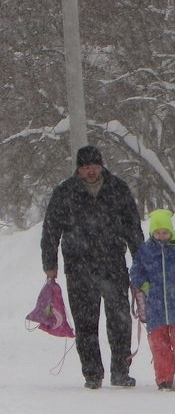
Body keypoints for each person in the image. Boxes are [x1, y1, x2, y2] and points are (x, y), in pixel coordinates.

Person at [41, 144, 144, 389]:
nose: (91, 171)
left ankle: (120, 371)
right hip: (78, 267)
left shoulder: (118, 188)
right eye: (86, 167)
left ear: (101, 166)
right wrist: (50, 263)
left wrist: (140, 259)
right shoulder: (65, 192)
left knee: (120, 320)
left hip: (112, 264)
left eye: (95, 166)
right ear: (79, 168)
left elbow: (132, 226)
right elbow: (51, 229)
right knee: (86, 323)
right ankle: (92, 374)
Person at [129, 209, 175, 391]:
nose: (161, 236)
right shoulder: (145, 251)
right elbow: (136, 271)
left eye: (165, 232)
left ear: (170, 232)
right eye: (158, 232)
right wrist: (144, 286)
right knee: (159, 344)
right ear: (152, 233)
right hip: (154, 306)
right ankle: (164, 379)